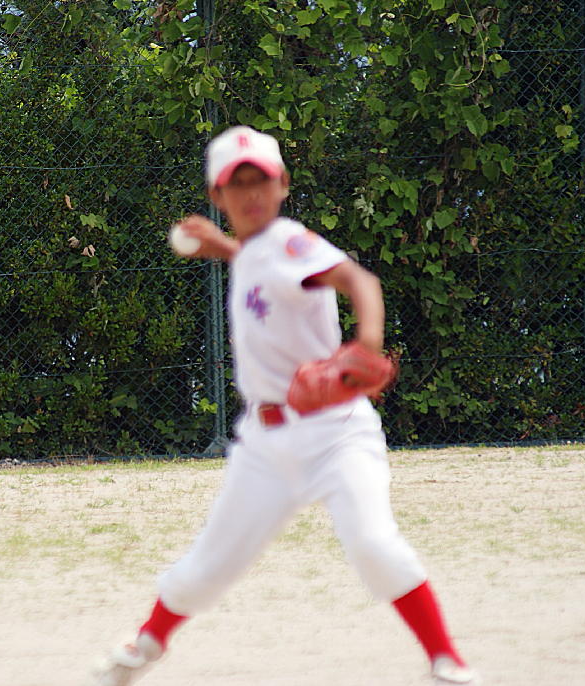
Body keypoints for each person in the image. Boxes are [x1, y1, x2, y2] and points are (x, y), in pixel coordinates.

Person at [90, 126, 478, 686]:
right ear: (217, 196)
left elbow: (360, 281)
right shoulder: (255, 250)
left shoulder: (293, 242)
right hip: (265, 445)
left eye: (262, 181)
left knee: (373, 544)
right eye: (237, 184)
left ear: (283, 186)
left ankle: (447, 660)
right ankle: (143, 647)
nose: (251, 194)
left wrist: (367, 343)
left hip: (335, 433)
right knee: (208, 567)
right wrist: (224, 247)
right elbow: (262, 266)